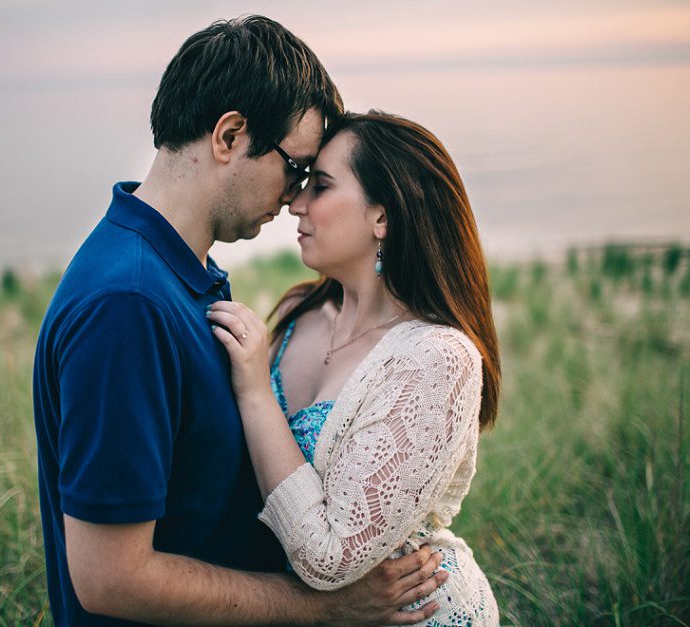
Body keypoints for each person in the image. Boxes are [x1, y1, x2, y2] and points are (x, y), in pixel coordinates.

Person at [32, 17, 449, 626]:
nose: (294, 197)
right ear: (229, 135)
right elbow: (110, 579)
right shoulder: (127, 305)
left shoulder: (182, 270)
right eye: (296, 168)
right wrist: (324, 608)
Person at [207, 111, 501, 626]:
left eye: (320, 186)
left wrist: (255, 391)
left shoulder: (437, 359)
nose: (295, 203)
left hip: (417, 611)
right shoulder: (300, 311)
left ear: (381, 218)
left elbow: (329, 557)